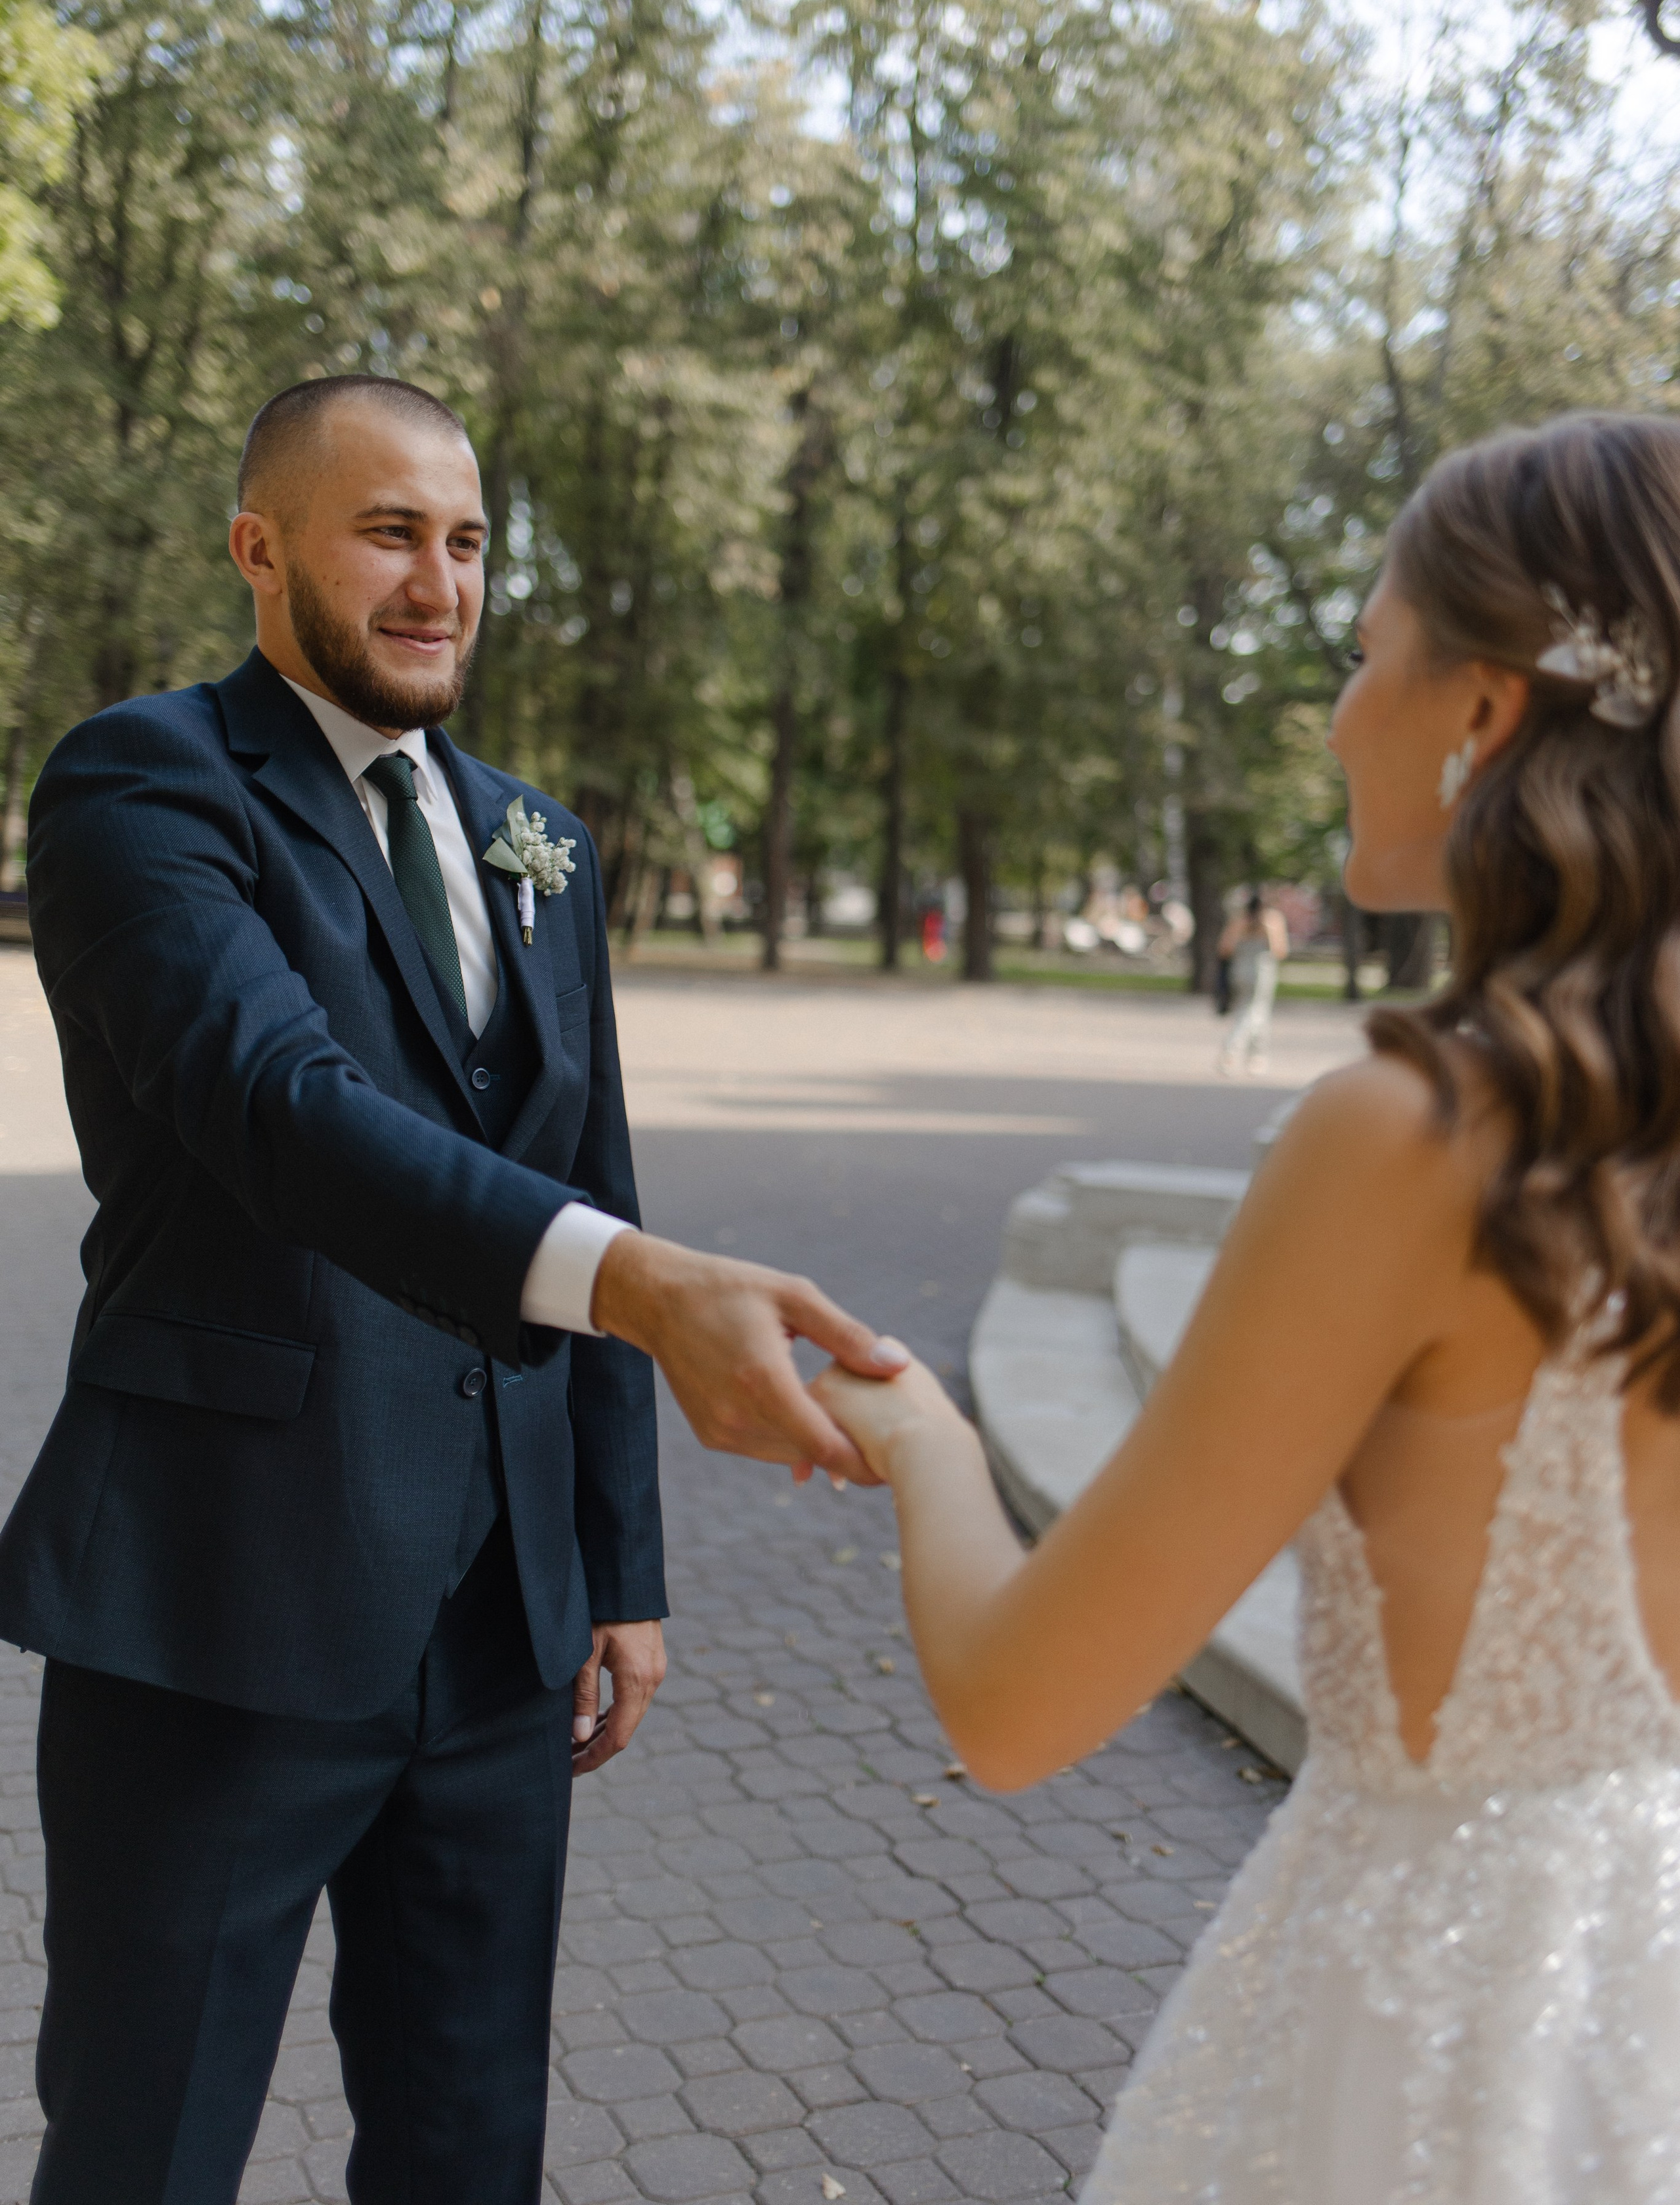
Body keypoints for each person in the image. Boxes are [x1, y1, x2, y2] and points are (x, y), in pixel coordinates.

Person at [3, 374, 900, 2205]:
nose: (440, 584)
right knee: (147, 2151)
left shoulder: (532, 838)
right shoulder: (146, 782)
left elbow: (595, 1180)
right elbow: (281, 1108)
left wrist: (618, 1567)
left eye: (470, 542)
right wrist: (638, 1286)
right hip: (222, 1598)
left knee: (471, 2144)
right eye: (389, 533)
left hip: (500, 1628)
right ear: (261, 549)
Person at [815, 410, 1680, 2201]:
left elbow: (1015, 1704)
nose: (1339, 716)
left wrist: (915, 1431)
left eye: (1364, 655)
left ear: (1480, 711)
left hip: (1446, 2031)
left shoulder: (1411, 1135)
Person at [1216, 887, 1290, 1074]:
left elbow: (1225, 949)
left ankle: (1257, 1056)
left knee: (1258, 1012)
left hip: (1241, 969)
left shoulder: (1239, 921)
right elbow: (1280, 951)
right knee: (1252, 1012)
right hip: (1261, 971)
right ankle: (1232, 1050)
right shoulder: (1273, 920)